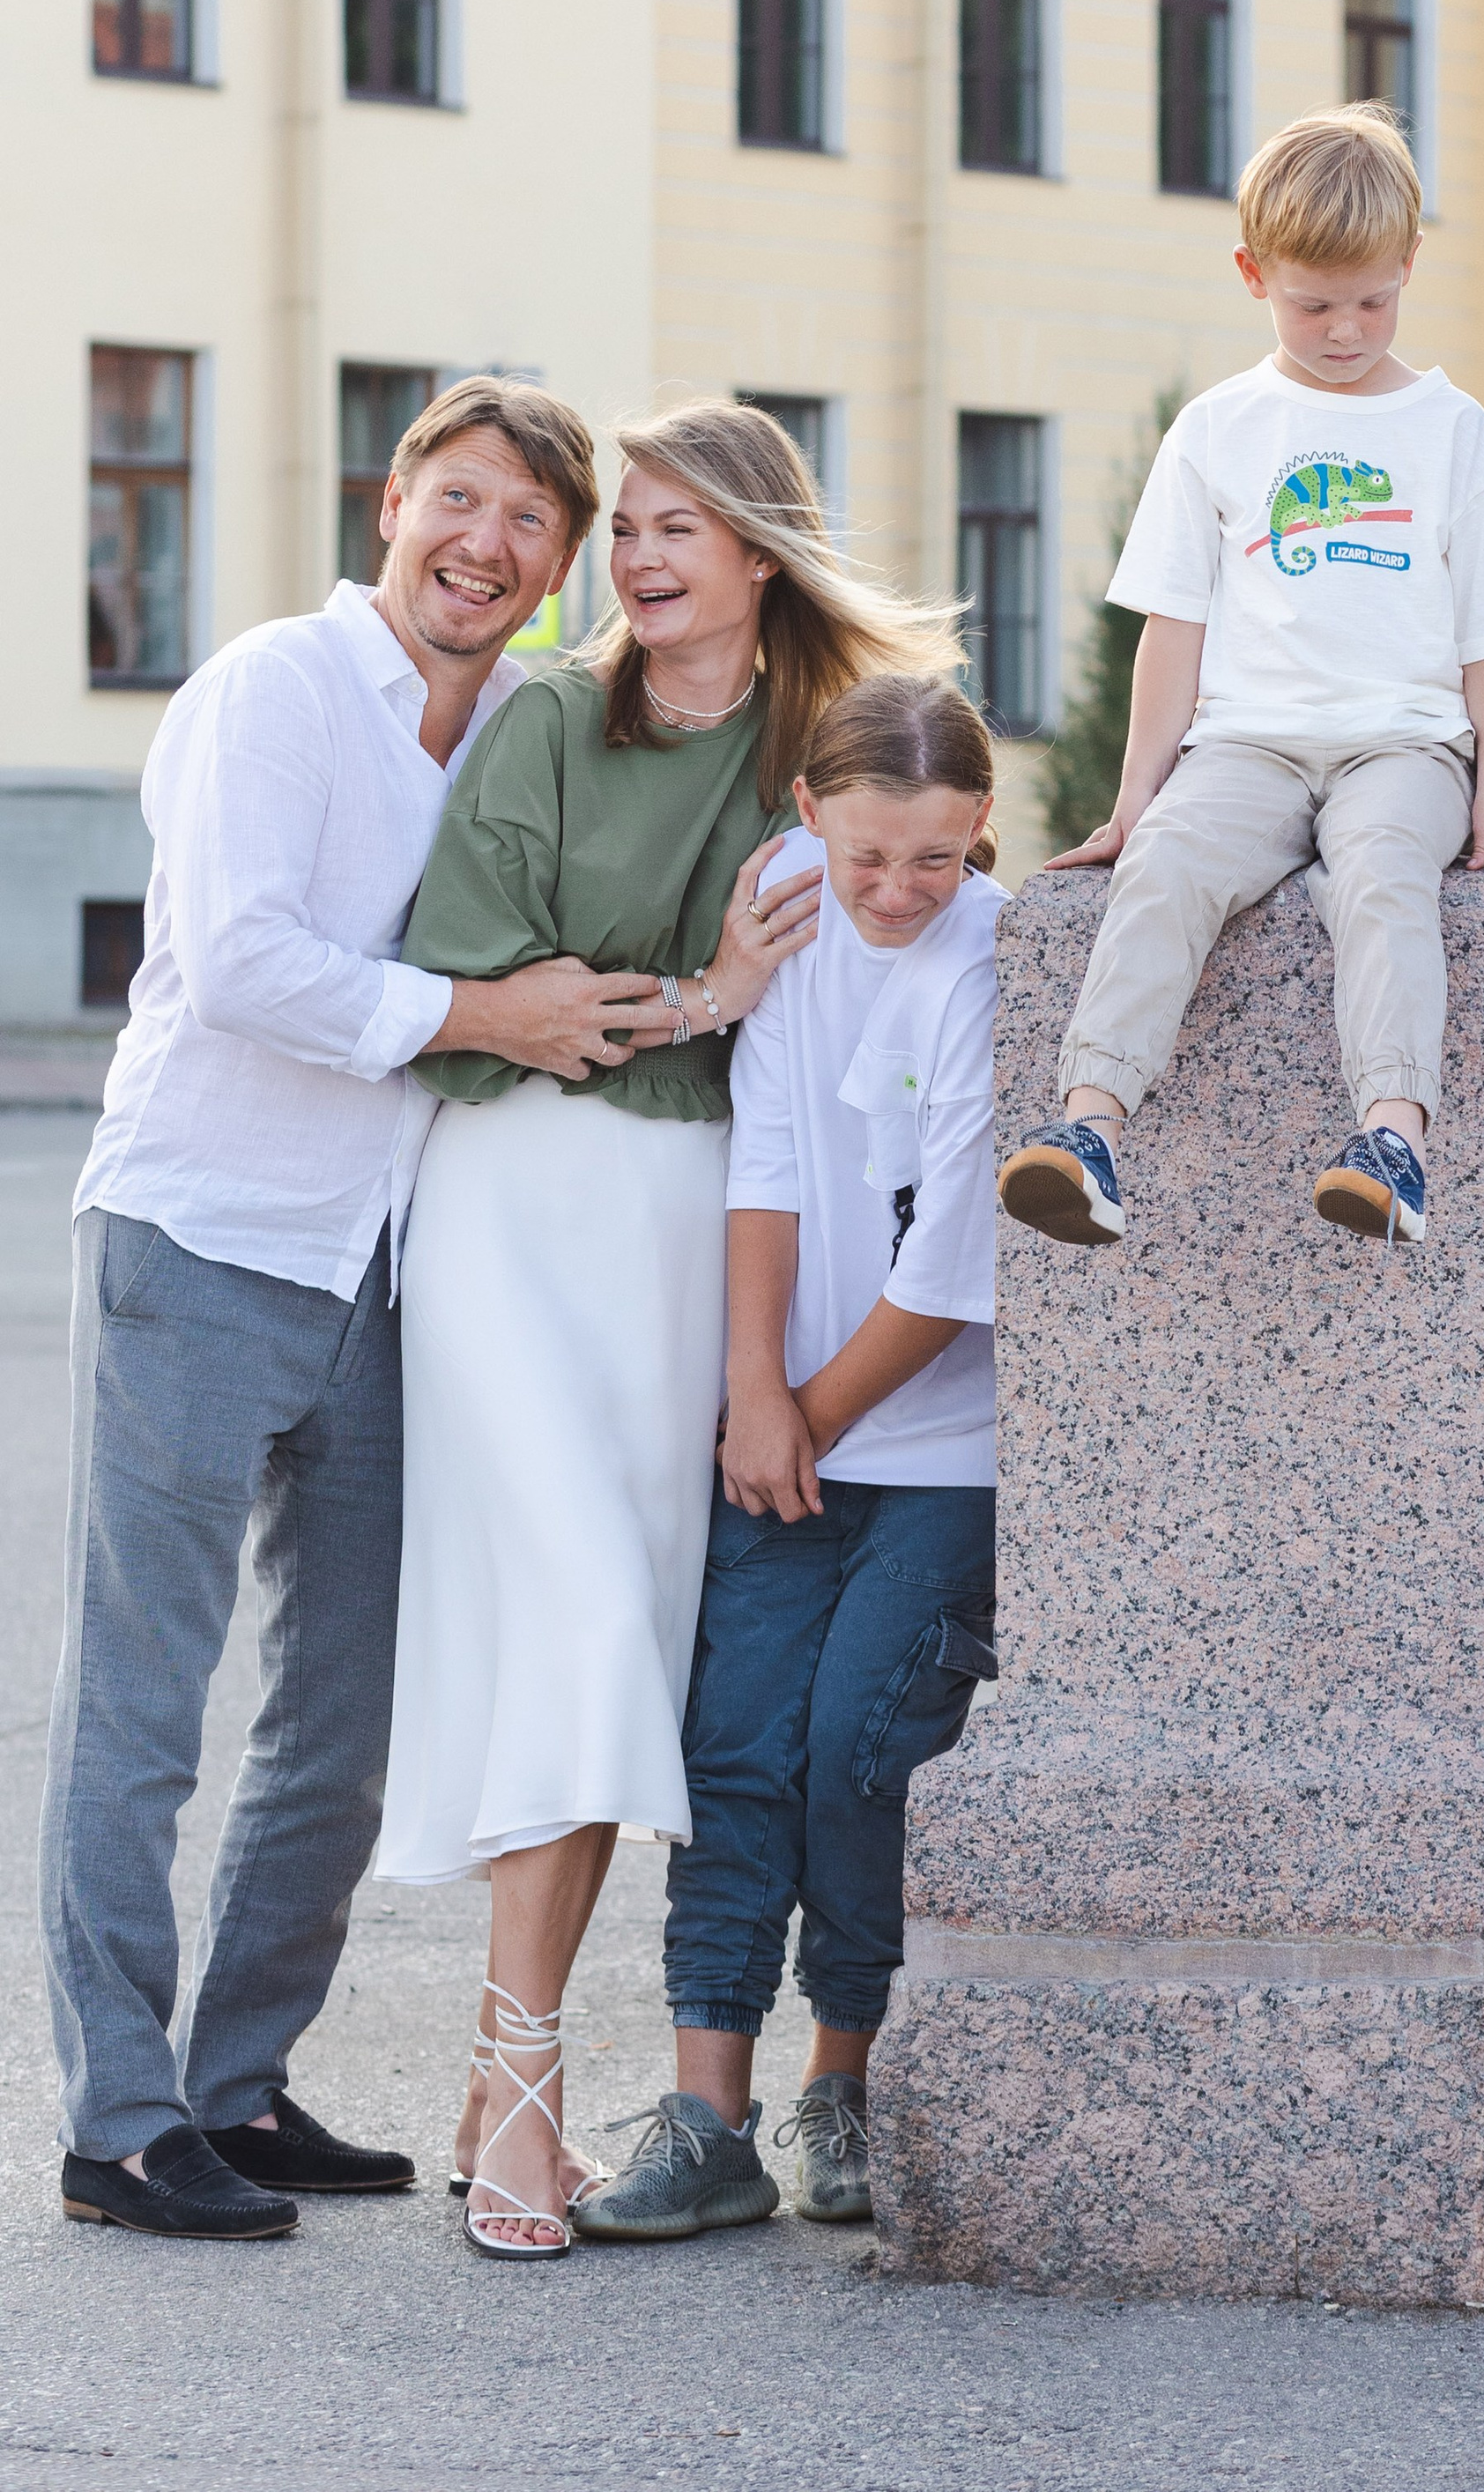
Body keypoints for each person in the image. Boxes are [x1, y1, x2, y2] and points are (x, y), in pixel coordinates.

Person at [41, 377, 657, 2243]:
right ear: (393, 501)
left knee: (343, 1716)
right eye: (458, 501)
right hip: (205, 1230)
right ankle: (122, 2117)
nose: (485, 545)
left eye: (529, 523)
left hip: (386, 1264)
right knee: (145, 1699)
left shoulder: (520, 734)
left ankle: (236, 2087)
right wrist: (483, 1017)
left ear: (561, 564)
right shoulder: (272, 691)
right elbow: (238, 963)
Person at [379, 406, 961, 2259]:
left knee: (625, 1628)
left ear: (759, 560)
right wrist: (702, 990)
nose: (633, 560)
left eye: (675, 533)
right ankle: (528, 2065)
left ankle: (519, 2078)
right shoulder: (552, 715)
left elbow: (902, 938)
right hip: (516, 1210)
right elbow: (493, 985)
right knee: (564, 1608)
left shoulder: (821, 762)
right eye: (623, 528)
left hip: (690, 1238)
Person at [574, 675, 1003, 2245]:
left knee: (858, 1752)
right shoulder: (786, 896)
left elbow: (955, 1266)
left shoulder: (993, 964)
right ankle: (707, 2116)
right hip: (785, 1425)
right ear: (811, 813)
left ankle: (847, 2083)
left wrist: (803, 1418)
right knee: (734, 1746)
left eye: (936, 862)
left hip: (941, 1449)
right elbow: (764, 1156)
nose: (896, 892)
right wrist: (753, 1388)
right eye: (870, 852)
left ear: (980, 839)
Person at [998, 101, 1484, 1257]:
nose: (1347, 330)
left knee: (1381, 875)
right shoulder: (1221, 429)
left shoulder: (1451, 429)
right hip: (1245, 743)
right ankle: (1090, 1127)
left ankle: (1393, 1141)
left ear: (1411, 263)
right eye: (1314, 304)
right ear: (1252, 273)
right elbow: (1177, 628)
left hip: (1403, 745)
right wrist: (1133, 799)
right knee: (1165, 866)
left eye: (1373, 299)